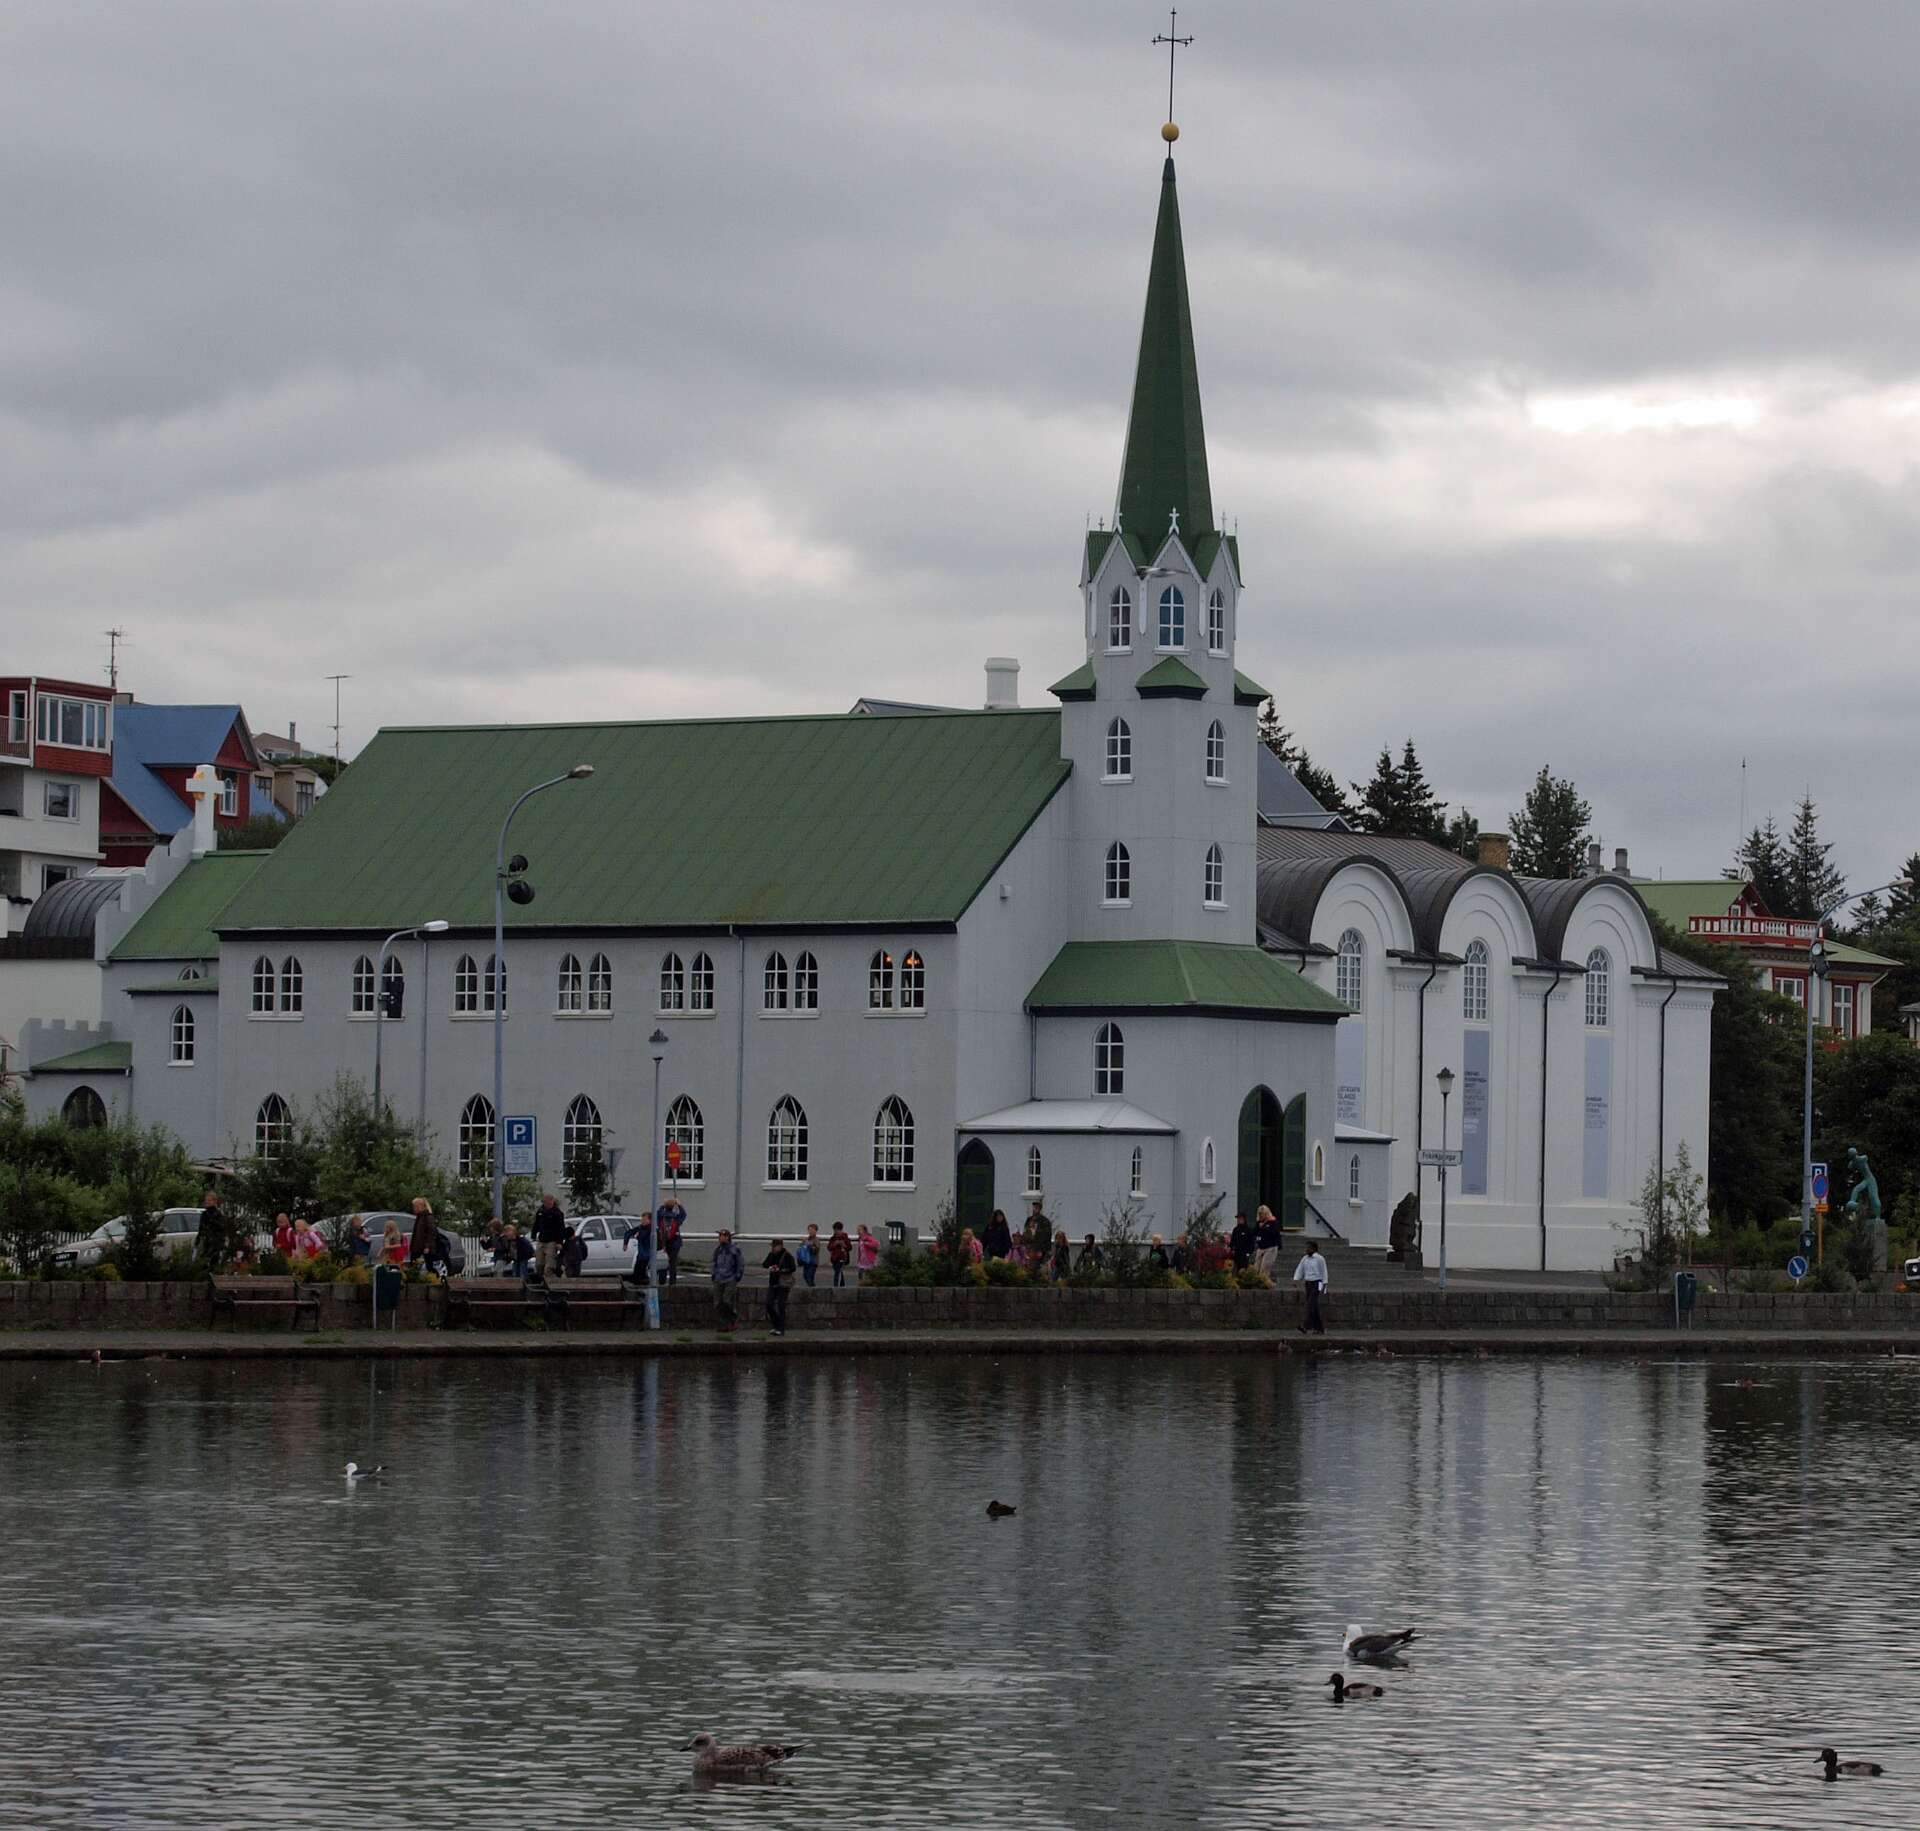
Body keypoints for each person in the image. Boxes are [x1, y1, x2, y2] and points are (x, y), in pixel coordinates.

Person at [762, 1237, 798, 1335]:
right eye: (772, 1246)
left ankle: (781, 1329)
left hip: (783, 1283)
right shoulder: (772, 1254)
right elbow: (765, 1264)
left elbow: (792, 1268)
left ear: (780, 1246)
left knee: (781, 1306)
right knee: (769, 1304)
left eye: (775, 1246)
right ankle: (776, 1324)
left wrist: (781, 1270)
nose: (773, 1248)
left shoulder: (787, 1255)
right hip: (773, 1282)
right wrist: (771, 1266)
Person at [710, 1227, 744, 1331]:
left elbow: (740, 1263)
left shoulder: (734, 1250)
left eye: (723, 1236)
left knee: (727, 1301)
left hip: (730, 1278)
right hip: (719, 1278)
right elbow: (714, 1262)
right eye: (720, 1236)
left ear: (728, 1237)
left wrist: (737, 1275)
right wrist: (714, 1274)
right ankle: (723, 1324)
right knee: (717, 1303)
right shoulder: (718, 1250)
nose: (721, 1238)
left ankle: (732, 1319)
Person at [1293, 1240, 1329, 1335]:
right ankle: (1319, 1328)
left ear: (1314, 1249)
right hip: (1308, 1282)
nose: (1306, 1250)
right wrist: (1296, 1279)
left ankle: (1305, 1326)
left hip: (1317, 1282)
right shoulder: (1305, 1259)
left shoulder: (1320, 1259)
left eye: (1308, 1248)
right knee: (1314, 1306)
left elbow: (1324, 1271)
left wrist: (1324, 1284)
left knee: (1311, 1304)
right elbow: (1300, 1269)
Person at [533, 1194, 567, 1280]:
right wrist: (533, 1235)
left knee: (549, 1264)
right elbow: (536, 1224)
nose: (546, 1204)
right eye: (545, 1202)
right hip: (541, 1239)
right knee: (539, 1263)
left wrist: (559, 1242)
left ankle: (549, 1279)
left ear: (552, 1202)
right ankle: (540, 1278)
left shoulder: (557, 1213)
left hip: (552, 1241)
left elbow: (561, 1228)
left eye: (548, 1202)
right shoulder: (540, 1212)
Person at [655, 1196, 685, 1286]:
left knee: (663, 1260)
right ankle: (672, 1282)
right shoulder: (676, 1218)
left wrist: (663, 1205)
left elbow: (657, 1214)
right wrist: (679, 1205)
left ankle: (662, 1280)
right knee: (672, 1263)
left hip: (663, 1242)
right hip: (675, 1242)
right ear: (673, 1207)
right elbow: (683, 1214)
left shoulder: (661, 1217)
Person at [624, 1211, 654, 1283]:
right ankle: (637, 1281)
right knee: (637, 1269)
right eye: (642, 1219)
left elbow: (643, 1237)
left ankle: (642, 1281)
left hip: (647, 1254)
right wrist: (625, 1243)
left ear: (650, 1220)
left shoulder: (652, 1229)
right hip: (641, 1254)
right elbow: (628, 1233)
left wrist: (637, 1236)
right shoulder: (640, 1228)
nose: (642, 1221)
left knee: (642, 1269)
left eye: (644, 1220)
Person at [408, 1197, 437, 1267]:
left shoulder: (428, 1217)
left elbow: (431, 1232)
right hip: (417, 1247)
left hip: (424, 1247)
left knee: (429, 1266)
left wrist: (427, 1246)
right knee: (413, 1266)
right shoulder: (419, 1217)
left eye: (414, 1206)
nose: (413, 1208)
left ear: (420, 1206)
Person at [1254, 1206, 1282, 1279]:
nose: (1261, 1215)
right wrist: (1259, 1227)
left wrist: (1263, 1227)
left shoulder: (1273, 1222)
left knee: (1264, 1267)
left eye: (1262, 1214)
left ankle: (1264, 1281)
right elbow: (1255, 1232)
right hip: (1261, 1247)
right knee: (1256, 1267)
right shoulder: (1259, 1223)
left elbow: (1274, 1233)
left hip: (1270, 1247)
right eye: (1259, 1214)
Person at [797, 1223, 822, 1288]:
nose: (810, 1231)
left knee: (810, 1276)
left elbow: (816, 1250)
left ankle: (812, 1288)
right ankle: (811, 1287)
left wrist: (810, 1245)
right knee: (805, 1275)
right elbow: (800, 1247)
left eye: (812, 1230)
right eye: (809, 1230)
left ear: (816, 1231)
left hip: (813, 1261)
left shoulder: (816, 1240)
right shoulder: (806, 1239)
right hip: (806, 1261)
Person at [827, 1223, 852, 1288]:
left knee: (838, 1272)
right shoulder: (833, 1238)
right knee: (838, 1271)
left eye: (837, 1230)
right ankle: (842, 1286)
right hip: (834, 1258)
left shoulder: (845, 1237)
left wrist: (843, 1245)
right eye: (835, 1230)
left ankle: (836, 1286)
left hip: (842, 1257)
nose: (836, 1232)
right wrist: (835, 1244)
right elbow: (829, 1247)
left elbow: (849, 1247)